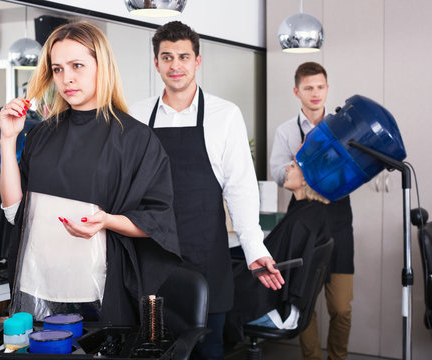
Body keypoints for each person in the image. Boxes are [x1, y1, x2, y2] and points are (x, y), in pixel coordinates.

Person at [0, 21, 181, 324]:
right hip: (37, 287)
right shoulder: (41, 135)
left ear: (102, 66)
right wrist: (8, 139)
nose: (66, 78)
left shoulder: (136, 139)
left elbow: (158, 221)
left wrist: (107, 221)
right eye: (57, 69)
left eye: (77, 65)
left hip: (99, 292)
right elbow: (14, 212)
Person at [130, 21, 284, 360]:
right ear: (156, 63)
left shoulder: (224, 115)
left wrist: (254, 248)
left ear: (197, 61)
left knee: (208, 350)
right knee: (154, 349)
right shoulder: (138, 115)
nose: (175, 65)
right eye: (166, 57)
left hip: (206, 256)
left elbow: (240, 188)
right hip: (152, 259)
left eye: (183, 56)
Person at [270, 62, 354, 360]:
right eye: (308, 88)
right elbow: (279, 174)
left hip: (339, 219)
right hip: (304, 216)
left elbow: (352, 172)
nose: (315, 93)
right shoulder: (286, 132)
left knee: (341, 307)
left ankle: (337, 357)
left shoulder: (342, 128)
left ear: (327, 89)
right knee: (303, 302)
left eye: (320, 87)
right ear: (297, 91)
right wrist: (303, 162)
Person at [224, 160, 331, 340]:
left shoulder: (300, 222)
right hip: (288, 310)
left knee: (211, 306)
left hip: (277, 312)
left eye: (294, 166)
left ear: (306, 179)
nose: (287, 169)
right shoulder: (312, 212)